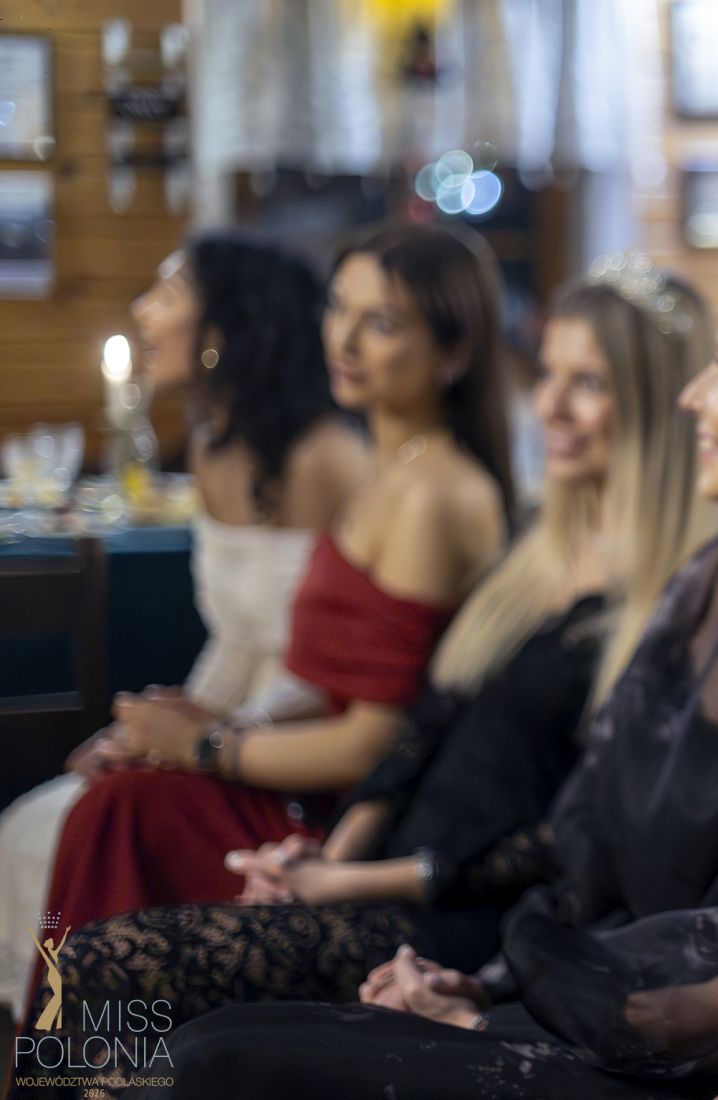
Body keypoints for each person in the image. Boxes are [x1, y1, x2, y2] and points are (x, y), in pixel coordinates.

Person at [144, 248, 718, 1100]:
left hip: (636, 1034)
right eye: (547, 374)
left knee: (197, 1050)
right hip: (563, 977)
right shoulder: (715, 578)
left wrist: (484, 995)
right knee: (186, 1029)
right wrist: (484, 981)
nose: (694, 395)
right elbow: (573, 832)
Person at [20, 262, 718, 1093]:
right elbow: (417, 734)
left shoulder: (671, 599)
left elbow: (567, 838)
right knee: (105, 925)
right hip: (381, 869)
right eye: (549, 375)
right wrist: (326, 855)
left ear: (655, 404)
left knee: (108, 962)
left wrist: (345, 878)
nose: (552, 406)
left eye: (590, 384)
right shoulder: (540, 555)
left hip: (469, 924)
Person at [31, 223, 516, 962]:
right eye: (338, 308)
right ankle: (92, 1035)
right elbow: (326, 682)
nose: (343, 341)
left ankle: (97, 1034)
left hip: (355, 821)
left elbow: (376, 741)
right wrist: (189, 727)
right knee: (119, 795)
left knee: (119, 811)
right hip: (309, 775)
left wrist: (206, 745)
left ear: (453, 353)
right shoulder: (390, 471)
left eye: (381, 323)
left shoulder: (428, 494)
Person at [0, 237, 364, 1017]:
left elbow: (335, 661)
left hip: (309, 759)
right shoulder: (212, 447)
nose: (143, 311)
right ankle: (76, 1038)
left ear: (224, 328)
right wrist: (152, 733)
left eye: (166, 293)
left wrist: (200, 740)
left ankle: (107, 1043)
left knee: (92, 818)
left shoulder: (328, 456)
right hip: (237, 728)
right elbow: (240, 637)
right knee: (37, 819)